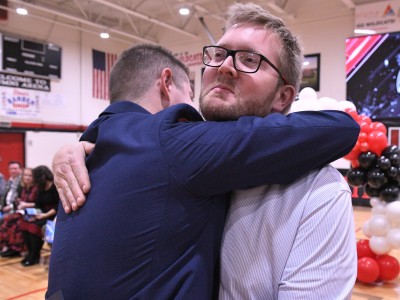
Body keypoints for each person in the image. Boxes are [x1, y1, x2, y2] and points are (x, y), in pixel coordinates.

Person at [47, 5, 359, 300]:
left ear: (284, 96)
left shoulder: (319, 191)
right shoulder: (174, 146)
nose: (224, 65)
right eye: (218, 54)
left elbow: (341, 128)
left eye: (249, 59)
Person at [19, 166, 59, 266]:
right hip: (42, 214)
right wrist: (34, 214)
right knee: (24, 224)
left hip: (52, 215)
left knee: (34, 227)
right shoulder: (41, 188)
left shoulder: (54, 187)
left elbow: (58, 206)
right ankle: (31, 253)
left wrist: (44, 215)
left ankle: (35, 255)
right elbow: (38, 204)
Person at [0, 167, 38, 258]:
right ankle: (8, 246)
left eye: (30, 175)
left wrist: (25, 205)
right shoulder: (23, 187)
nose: (27, 177)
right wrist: (18, 202)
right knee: (6, 220)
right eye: (25, 175)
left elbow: (39, 204)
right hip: (21, 211)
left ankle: (17, 248)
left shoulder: (36, 188)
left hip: (33, 212)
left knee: (17, 223)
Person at [0, 161, 22, 256]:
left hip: (16, 209)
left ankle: (9, 246)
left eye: (15, 168)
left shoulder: (22, 181)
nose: (13, 170)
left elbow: (22, 198)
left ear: (20, 169)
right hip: (6, 208)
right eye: (11, 169)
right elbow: (3, 196)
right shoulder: (10, 180)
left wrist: (11, 206)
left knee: (4, 220)